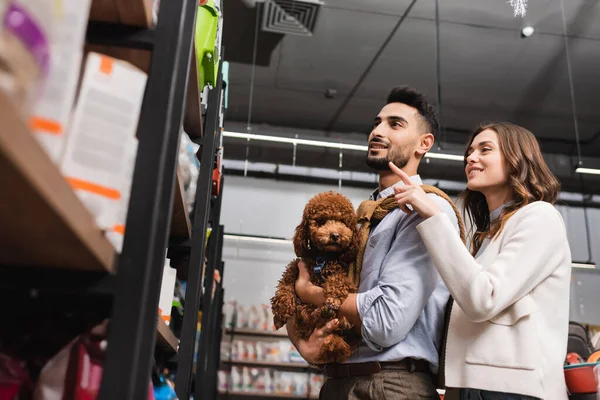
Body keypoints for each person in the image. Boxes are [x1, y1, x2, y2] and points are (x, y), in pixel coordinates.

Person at [286, 86, 461, 399]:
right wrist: (302, 341)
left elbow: (385, 321)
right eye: (377, 123)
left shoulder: (426, 211)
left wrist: (313, 294)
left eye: (395, 124)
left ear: (425, 143)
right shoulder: (361, 218)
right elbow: (305, 281)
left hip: (390, 385)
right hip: (340, 381)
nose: (377, 131)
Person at [389, 122, 571, 400]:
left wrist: (433, 216)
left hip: (513, 390)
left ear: (517, 159)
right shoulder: (488, 236)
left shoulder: (540, 217)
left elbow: (483, 297)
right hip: (473, 386)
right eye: (470, 152)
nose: (471, 158)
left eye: (485, 149)